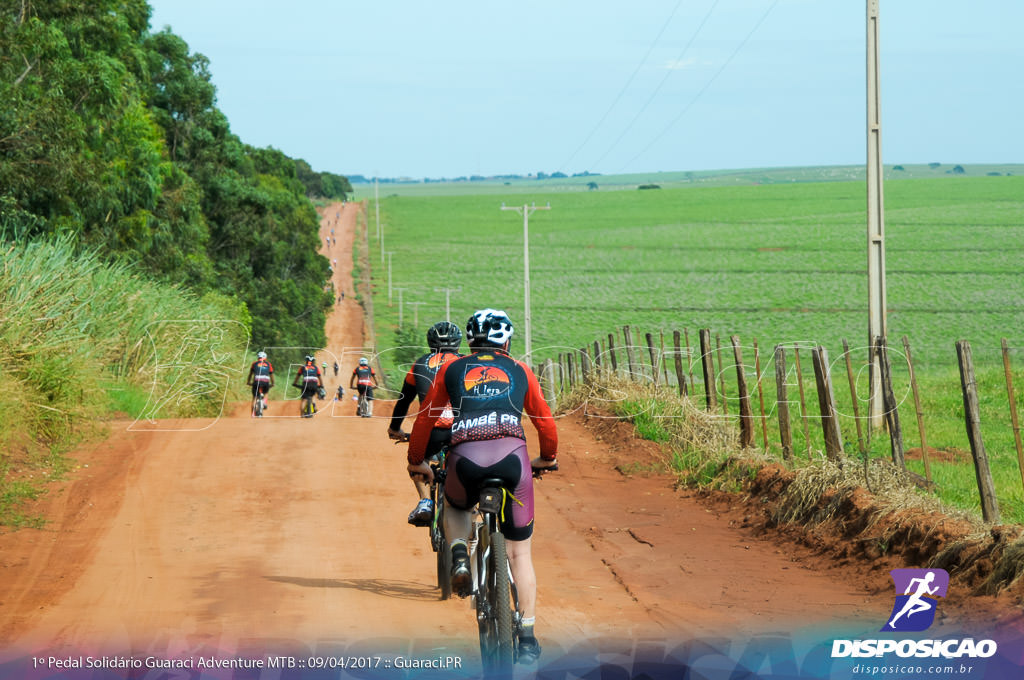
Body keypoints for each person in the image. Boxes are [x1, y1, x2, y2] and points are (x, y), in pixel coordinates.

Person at [407, 309, 557, 665]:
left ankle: (459, 553)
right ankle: (527, 637)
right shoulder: (520, 370)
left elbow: (427, 417)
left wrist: (417, 460)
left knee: (458, 507)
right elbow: (545, 422)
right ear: (507, 340)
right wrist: (547, 458)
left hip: (466, 458)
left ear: (471, 342)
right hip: (513, 459)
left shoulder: (453, 369)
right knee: (520, 554)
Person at [388, 321, 463, 525]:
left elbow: (404, 401)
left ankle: (425, 501)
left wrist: (395, 428)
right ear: (458, 343)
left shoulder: (419, 364)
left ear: (430, 342)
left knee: (417, 462)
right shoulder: (468, 363)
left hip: (432, 431)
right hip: (464, 429)